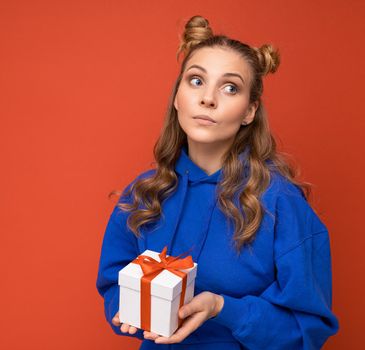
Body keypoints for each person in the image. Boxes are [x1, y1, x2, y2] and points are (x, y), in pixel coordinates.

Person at [95, 15, 339, 350]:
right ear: (178, 97)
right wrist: (127, 309)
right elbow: (113, 283)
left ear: (249, 111)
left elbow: (308, 329)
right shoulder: (143, 194)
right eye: (196, 81)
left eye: (230, 87)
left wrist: (223, 309)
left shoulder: (281, 203)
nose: (208, 98)